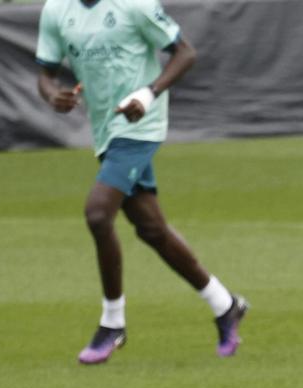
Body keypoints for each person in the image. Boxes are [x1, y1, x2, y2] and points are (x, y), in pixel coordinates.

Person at [36, 0, 247, 364]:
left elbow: (185, 52)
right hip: (105, 129)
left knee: (98, 214)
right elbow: (46, 73)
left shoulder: (135, 5)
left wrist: (148, 94)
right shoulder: (57, 10)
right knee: (152, 230)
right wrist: (52, 94)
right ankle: (224, 304)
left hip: (139, 127)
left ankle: (112, 322)